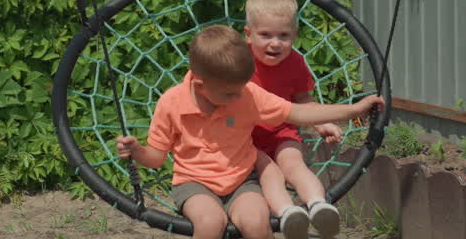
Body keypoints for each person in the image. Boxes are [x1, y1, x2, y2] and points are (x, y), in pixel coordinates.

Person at [116, 24, 383, 239]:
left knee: (257, 223)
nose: (238, 97)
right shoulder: (171, 103)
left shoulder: (246, 94)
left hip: (242, 181)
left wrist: (353, 110)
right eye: (229, 94)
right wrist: (136, 151)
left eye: (241, 89)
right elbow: (156, 158)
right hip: (194, 183)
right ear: (199, 85)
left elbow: (297, 112)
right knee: (210, 223)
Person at [243, 0, 345, 239]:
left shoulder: (296, 62)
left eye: (283, 35)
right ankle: (288, 213)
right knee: (271, 173)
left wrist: (322, 124)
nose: (275, 43)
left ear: (294, 35)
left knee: (294, 165)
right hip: (246, 138)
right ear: (248, 34)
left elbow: (303, 100)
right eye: (265, 35)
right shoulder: (239, 61)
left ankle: (319, 205)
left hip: (282, 130)